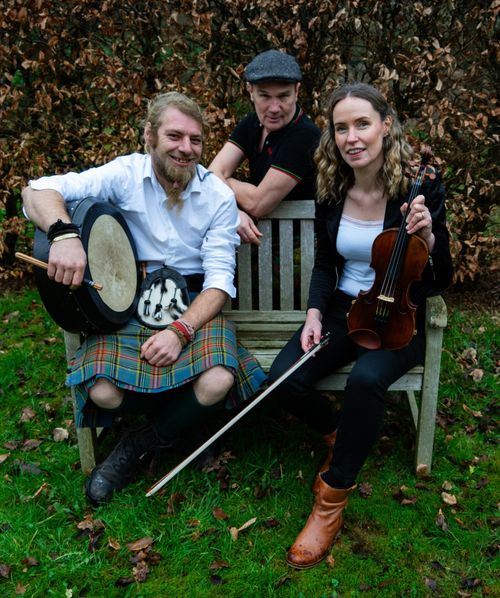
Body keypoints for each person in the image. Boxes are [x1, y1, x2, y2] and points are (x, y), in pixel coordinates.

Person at [22, 91, 266, 505]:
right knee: (102, 389)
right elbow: (38, 191)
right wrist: (63, 234)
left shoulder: (218, 197)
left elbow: (219, 283)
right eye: (175, 136)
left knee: (219, 379)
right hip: (128, 300)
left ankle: (139, 443)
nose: (186, 148)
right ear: (149, 136)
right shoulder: (125, 174)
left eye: (195, 140)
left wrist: (181, 330)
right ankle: (185, 424)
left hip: (193, 301)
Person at [268, 82, 453, 569]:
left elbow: (442, 278)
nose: (352, 137)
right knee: (284, 379)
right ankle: (338, 432)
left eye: (362, 124)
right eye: (341, 127)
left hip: (402, 314)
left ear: (385, 126)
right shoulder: (332, 187)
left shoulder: (418, 189)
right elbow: (326, 263)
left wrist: (429, 236)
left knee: (367, 381)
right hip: (344, 310)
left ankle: (330, 502)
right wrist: (313, 312)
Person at [209, 49, 320, 245]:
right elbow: (212, 174)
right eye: (265, 96)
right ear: (250, 91)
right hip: (258, 245)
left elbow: (257, 203)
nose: (274, 108)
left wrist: (226, 181)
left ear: (297, 91)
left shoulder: (305, 135)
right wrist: (233, 212)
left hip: (299, 250)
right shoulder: (253, 122)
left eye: (283, 96)